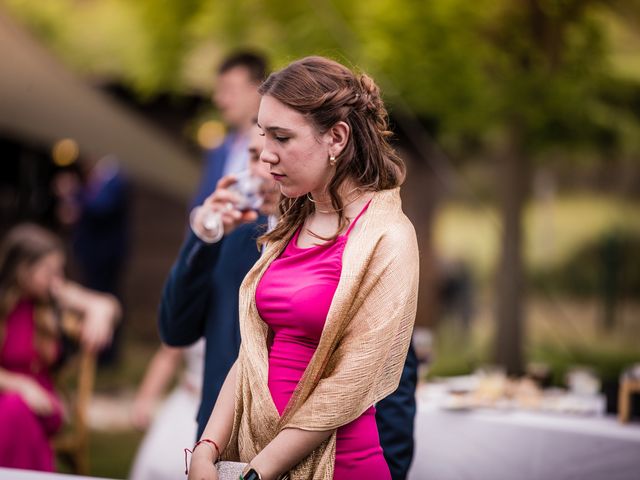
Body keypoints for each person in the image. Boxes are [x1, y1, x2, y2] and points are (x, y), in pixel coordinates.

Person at [187, 56, 419, 480]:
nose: (266, 158)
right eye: (263, 137)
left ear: (336, 137)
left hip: (338, 466)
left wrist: (258, 472)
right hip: (252, 459)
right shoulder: (293, 222)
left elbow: (350, 380)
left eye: (281, 137)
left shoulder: (389, 236)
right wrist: (207, 448)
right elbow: (254, 351)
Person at [134, 124, 278, 480]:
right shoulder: (234, 232)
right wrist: (202, 238)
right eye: (250, 155)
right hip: (217, 445)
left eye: (270, 153)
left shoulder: (336, 240)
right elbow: (175, 329)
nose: (259, 168)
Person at [0, 223, 120, 471]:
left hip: (42, 403)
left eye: (59, 271)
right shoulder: (6, 306)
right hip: (9, 392)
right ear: (23, 270)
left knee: (15, 410)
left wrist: (100, 314)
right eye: (48, 271)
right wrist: (20, 385)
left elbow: (108, 304)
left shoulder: (54, 295)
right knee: (13, 408)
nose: (57, 279)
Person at [192, 51, 268, 207]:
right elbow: (200, 207)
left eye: (228, 89)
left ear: (257, 89)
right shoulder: (218, 151)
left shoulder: (275, 149)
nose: (218, 99)